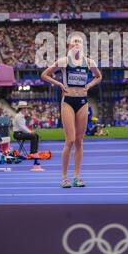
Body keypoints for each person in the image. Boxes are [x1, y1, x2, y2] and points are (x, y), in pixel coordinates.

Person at [41, 33, 102, 188]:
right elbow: (44, 75)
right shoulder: (63, 61)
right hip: (68, 101)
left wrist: (88, 86)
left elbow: (98, 77)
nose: (77, 44)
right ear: (69, 45)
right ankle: (64, 177)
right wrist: (60, 84)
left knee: (80, 141)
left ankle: (76, 176)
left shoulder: (88, 62)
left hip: (82, 101)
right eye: (74, 41)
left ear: (83, 46)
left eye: (79, 42)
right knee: (70, 140)